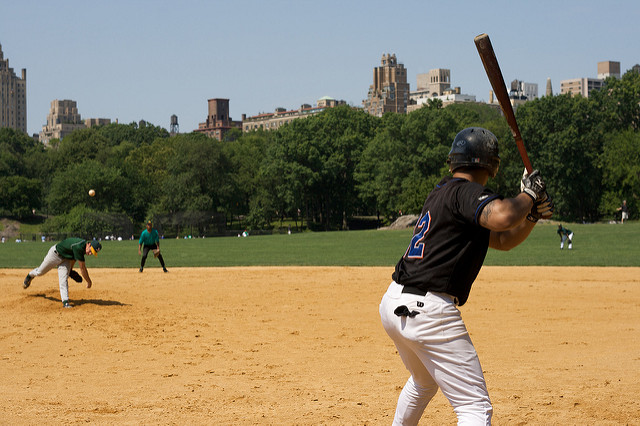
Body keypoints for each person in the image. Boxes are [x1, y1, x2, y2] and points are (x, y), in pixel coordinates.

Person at [379, 127, 553, 425]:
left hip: (394, 301)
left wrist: (532, 214)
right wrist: (529, 194)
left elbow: (501, 238)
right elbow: (503, 215)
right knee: (474, 407)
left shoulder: (444, 192)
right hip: (430, 310)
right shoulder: (468, 192)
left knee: (422, 382)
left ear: (453, 162)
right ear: (491, 166)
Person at [23, 237, 102, 308]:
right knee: (40, 272)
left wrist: (70, 271)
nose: (90, 253)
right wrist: (89, 282)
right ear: (89, 244)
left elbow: (73, 258)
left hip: (66, 259)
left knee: (63, 279)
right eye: (91, 251)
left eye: (93, 253)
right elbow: (82, 268)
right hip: (55, 254)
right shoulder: (79, 247)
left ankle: (65, 302)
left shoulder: (83, 248)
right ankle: (30, 275)